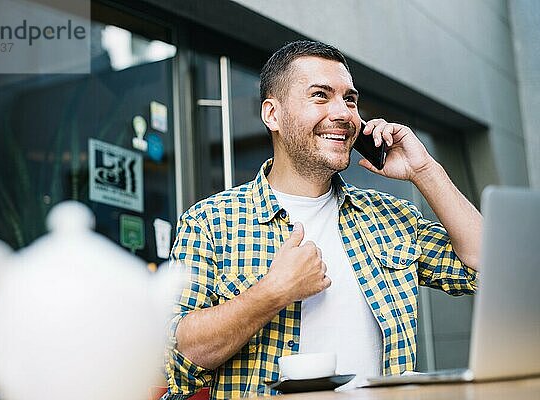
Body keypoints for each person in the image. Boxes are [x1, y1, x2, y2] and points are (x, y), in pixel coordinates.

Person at [163, 40, 482, 399]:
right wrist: (272, 292)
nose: (344, 113)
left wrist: (424, 170)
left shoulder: (392, 217)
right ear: (272, 115)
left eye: (350, 99)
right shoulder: (210, 222)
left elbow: (487, 269)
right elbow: (177, 359)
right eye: (320, 95)